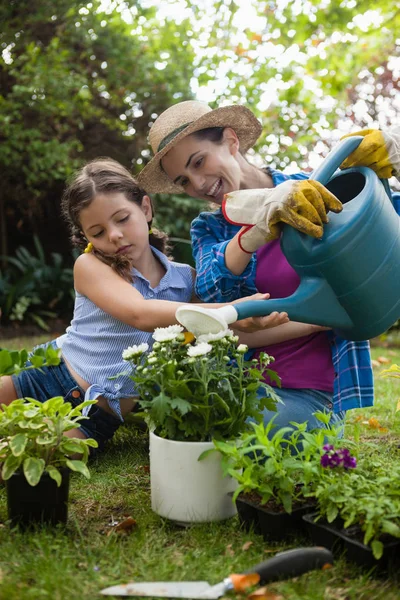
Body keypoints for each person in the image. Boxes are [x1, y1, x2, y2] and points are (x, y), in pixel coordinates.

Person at [0, 158, 289, 453]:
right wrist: (233, 312)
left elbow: (226, 331)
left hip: (94, 419)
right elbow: (140, 314)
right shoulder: (91, 266)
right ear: (86, 238)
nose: (113, 235)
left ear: (146, 209)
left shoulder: (186, 280)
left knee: (16, 456)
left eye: (122, 218)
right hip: (46, 379)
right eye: (97, 232)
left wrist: (313, 320)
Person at [137, 101, 388, 432]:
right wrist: (252, 234)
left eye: (198, 162)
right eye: (183, 180)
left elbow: (365, 270)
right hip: (240, 382)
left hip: (313, 391)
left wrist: (388, 155)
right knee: (158, 379)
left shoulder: (314, 190)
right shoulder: (209, 227)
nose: (197, 184)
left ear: (230, 140)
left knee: (248, 435)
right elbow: (213, 289)